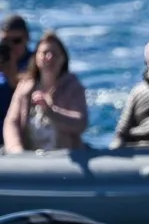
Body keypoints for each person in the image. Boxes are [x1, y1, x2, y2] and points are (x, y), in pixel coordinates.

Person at [3, 31, 87, 153]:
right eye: (44, 53)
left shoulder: (72, 87)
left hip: (64, 158)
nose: (49, 57)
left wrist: (51, 112)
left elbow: (80, 123)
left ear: (63, 59)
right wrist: (16, 149)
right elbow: (11, 122)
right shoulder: (25, 87)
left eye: (54, 54)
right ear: (36, 57)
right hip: (30, 158)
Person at [0, 14, 33, 148]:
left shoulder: (35, 63)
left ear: (26, 39)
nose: (11, 47)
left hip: (23, 132)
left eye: (16, 41)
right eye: (6, 41)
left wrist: (12, 75)